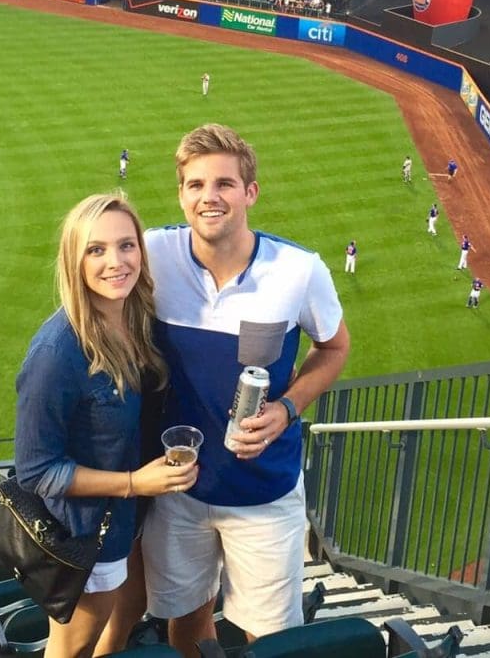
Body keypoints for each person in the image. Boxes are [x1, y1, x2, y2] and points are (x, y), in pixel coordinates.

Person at [139, 124, 350, 656]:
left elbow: (334, 348)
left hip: (264, 492)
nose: (210, 197)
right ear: (182, 195)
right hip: (178, 490)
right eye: (195, 185)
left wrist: (287, 407)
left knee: (271, 637)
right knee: (187, 619)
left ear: (250, 192)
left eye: (225, 184)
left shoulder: (298, 269)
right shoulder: (152, 254)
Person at [14, 193, 198, 658]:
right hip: (82, 534)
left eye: (126, 245)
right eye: (95, 250)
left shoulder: (133, 320)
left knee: (127, 612)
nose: (115, 262)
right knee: (72, 648)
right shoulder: (56, 353)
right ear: (73, 261)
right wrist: (136, 482)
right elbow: (37, 471)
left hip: (126, 522)